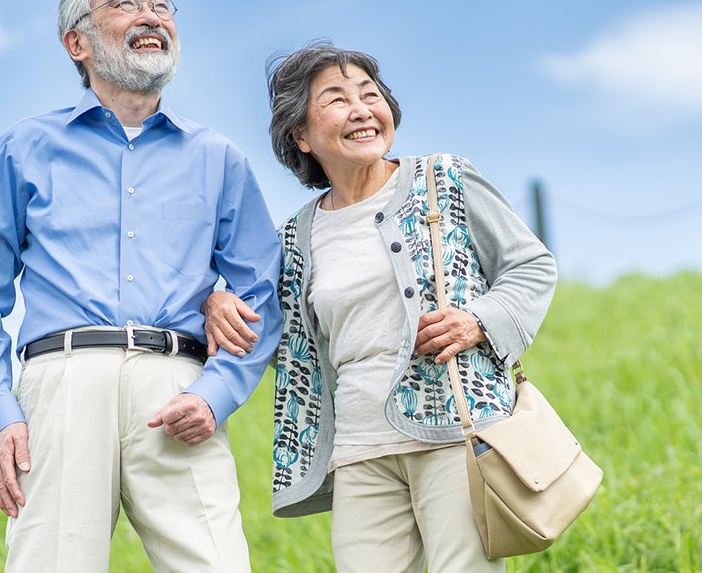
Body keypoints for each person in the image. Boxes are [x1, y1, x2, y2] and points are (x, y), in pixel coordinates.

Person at [0, 0, 283, 572]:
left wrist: (217, 393)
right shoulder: (26, 148)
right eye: (124, 3)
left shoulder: (218, 158)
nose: (151, 15)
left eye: (162, 4)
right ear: (78, 42)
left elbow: (263, 287)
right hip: (61, 386)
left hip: (179, 387)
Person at [204, 42, 557, 571]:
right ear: (300, 135)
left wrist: (479, 320)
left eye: (371, 95)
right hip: (357, 449)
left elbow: (530, 265)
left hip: (453, 431)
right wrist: (218, 299)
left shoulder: (445, 180)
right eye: (337, 99)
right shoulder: (296, 237)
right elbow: (278, 335)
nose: (362, 109)